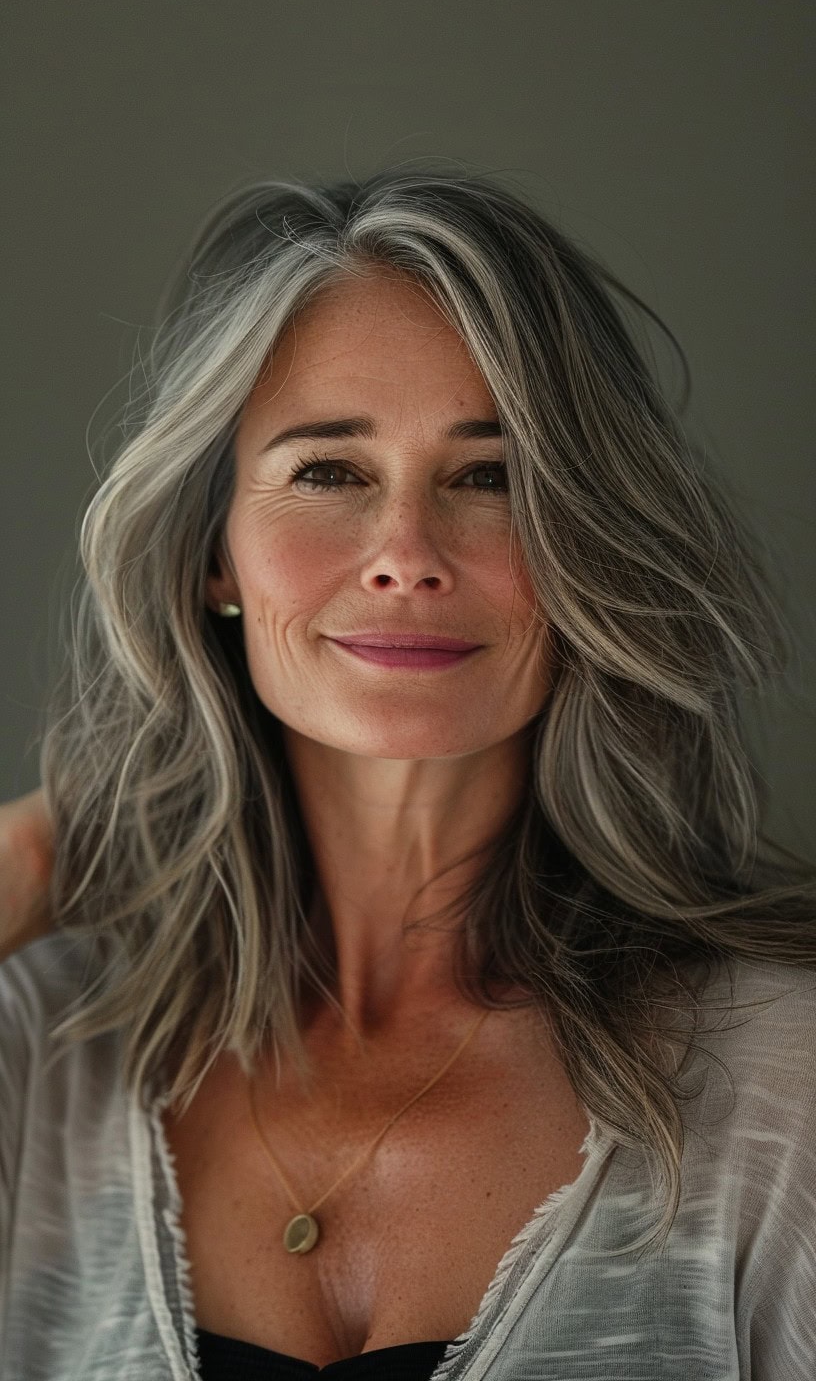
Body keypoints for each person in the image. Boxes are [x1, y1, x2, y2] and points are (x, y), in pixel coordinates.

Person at [1, 166, 814, 1381]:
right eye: (329, 470)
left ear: (589, 540)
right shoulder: (40, 1053)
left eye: (488, 475)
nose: (407, 556)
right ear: (213, 555)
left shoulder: (780, 1084)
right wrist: (28, 856)